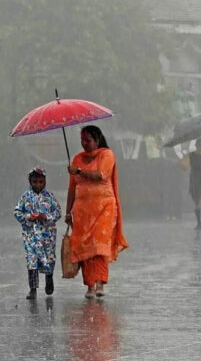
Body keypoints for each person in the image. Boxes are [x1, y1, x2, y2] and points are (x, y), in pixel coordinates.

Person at [65, 125, 129, 299]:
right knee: (85, 246)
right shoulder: (77, 159)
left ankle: (100, 283)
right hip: (82, 211)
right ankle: (90, 286)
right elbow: (72, 188)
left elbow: (101, 175)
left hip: (104, 208)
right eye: (82, 140)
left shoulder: (107, 155)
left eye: (88, 140)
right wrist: (68, 212)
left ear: (97, 140)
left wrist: (78, 171)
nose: (84, 144)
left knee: (99, 245)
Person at [14, 167, 62, 300]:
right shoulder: (25, 197)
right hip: (31, 236)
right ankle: (33, 288)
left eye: (40, 182)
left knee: (49, 259)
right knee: (32, 261)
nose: (37, 185)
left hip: (48, 236)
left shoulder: (50, 197)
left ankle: (49, 278)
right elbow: (17, 212)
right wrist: (29, 217)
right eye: (35, 182)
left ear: (44, 182)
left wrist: (46, 217)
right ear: (30, 181)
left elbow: (58, 213)